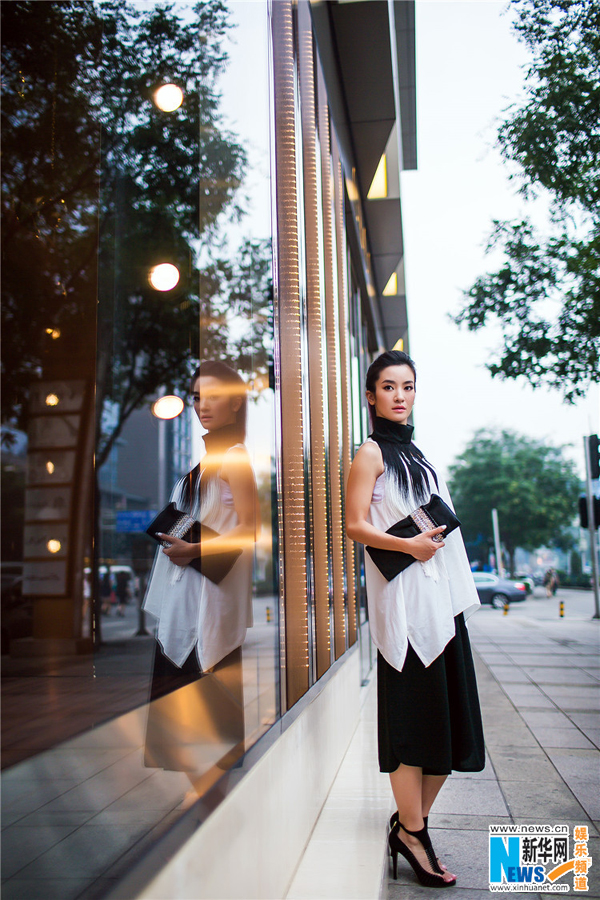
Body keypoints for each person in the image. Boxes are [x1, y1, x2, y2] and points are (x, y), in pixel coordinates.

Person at [345, 350, 484, 888]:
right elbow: (355, 525)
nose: (399, 395)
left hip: (442, 605)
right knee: (410, 727)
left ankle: (409, 826)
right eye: (388, 387)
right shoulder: (371, 452)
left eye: (407, 386)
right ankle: (413, 832)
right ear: (370, 396)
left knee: (448, 732)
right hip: (404, 609)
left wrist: (430, 549)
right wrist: (410, 546)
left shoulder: (419, 456)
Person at [143, 361, 259, 788]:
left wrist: (194, 549)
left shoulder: (235, 458)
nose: (201, 405)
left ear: (234, 403)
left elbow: (249, 531)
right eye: (196, 396)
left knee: (209, 731)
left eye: (212, 396)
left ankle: (213, 811)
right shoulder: (200, 467)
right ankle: (205, 809)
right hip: (185, 599)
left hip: (208, 604)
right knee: (189, 733)